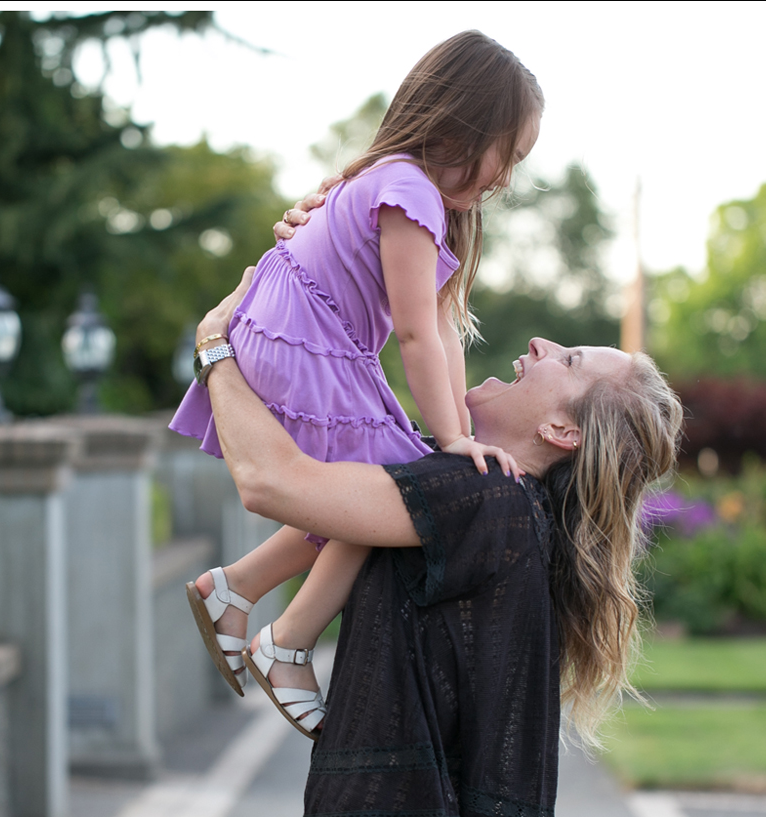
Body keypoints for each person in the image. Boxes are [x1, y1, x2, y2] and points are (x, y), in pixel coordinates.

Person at [190, 264, 684, 817]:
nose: (536, 342)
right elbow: (359, 410)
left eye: (566, 357)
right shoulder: (492, 500)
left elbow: (272, 480)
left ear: (561, 427)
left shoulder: (484, 498)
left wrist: (216, 348)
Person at [170, 30, 542, 737]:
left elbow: (439, 330)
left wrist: (451, 430)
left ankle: (237, 588)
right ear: (469, 123)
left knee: (384, 486)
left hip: (295, 329)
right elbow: (411, 336)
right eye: (510, 155)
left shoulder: (405, 190)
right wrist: (455, 440)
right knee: (400, 490)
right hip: (299, 336)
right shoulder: (408, 192)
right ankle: (287, 641)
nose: (506, 178)